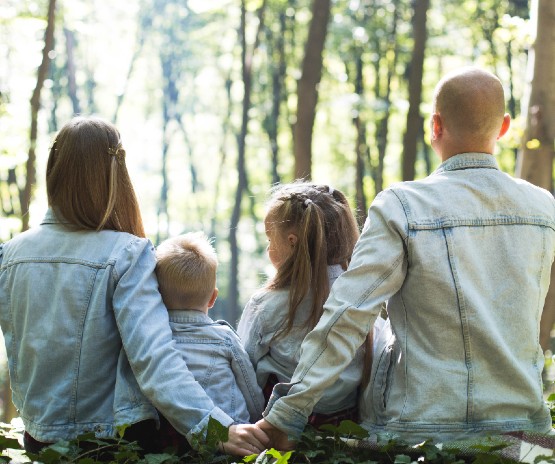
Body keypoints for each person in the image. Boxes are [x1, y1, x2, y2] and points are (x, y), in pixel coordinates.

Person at [257, 67, 555, 448]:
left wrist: (288, 414)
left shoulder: (403, 206)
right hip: (525, 434)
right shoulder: (543, 208)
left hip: (420, 434)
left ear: (435, 125)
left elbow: (347, 316)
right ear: (504, 128)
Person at [0, 116, 268, 456]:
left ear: (54, 168)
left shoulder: (10, 254)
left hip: (39, 441)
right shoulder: (126, 253)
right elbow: (154, 358)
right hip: (109, 445)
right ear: (115, 176)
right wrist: (214, 428)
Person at [237, 182, 369, 427]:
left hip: (280, 425)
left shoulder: (267, 304)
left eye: (270, 239)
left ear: (292, 242)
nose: (268, 248)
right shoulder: (361, 297)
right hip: (345, 421)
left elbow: (244, 368)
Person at [154, 231, 264, 427]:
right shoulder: (224, 338)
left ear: (157, 296)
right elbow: (250, 389)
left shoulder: (152, 340)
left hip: (173, 438)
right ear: (213, 298)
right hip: (230, 432)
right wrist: (257, 420)